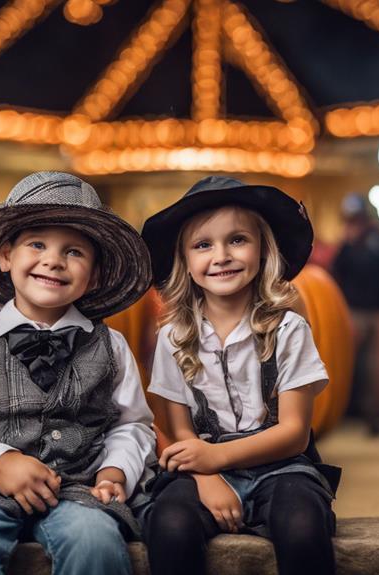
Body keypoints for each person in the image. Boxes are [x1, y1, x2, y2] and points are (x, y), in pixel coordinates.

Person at [0, 172, 157, 575]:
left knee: (96, 543)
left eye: (73, 252)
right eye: (36, 244)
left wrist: (117, 469)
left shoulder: (110, 346)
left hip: (79, 487)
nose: (53, 260)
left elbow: (133, 425)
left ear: (94, 274)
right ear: (7, 256)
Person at [140, 176, 340, 575]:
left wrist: (217, 456)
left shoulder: (287, 330)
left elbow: (294, 433)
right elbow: (182, 434)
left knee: (302, 524)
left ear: (263, 251)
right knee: (169, 524)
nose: (221, 255)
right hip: (202, 466)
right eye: (203, 245)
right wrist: (208, 476)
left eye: (237, 240)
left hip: (280, 465)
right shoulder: (173, 339)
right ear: (185, 261)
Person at [331, 194, 379, 436]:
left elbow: (337, 270)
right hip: (373, 312)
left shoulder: (355, 243)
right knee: (371, 367)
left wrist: (348, 244)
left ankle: (349, 414)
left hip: (356, 312)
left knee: (348, 364)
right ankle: (369, 416)